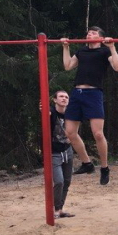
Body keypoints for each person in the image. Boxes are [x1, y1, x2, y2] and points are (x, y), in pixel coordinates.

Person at [61, 27, 118, 185]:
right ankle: (87, 163)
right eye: (88, 32)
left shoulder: (104, 52)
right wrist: (65, 47)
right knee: (70, 132)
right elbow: (68, 66)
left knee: (98, 134)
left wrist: (112, 47)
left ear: (100, 38)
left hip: (94, 93)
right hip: (77, 93)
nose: (89, 34)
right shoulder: (81, 51)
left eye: (94, 33)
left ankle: (104, 167)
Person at [49, 90, 75, 219]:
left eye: (66, 97)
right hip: (54, 152)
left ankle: (59, 209)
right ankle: (55, 209)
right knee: (59, 181)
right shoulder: (51, 112)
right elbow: (46, 113)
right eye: (61, 96)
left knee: (67, 181)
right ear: (55, 100)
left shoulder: (71, 114)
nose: (64, 99)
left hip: (67, 150)